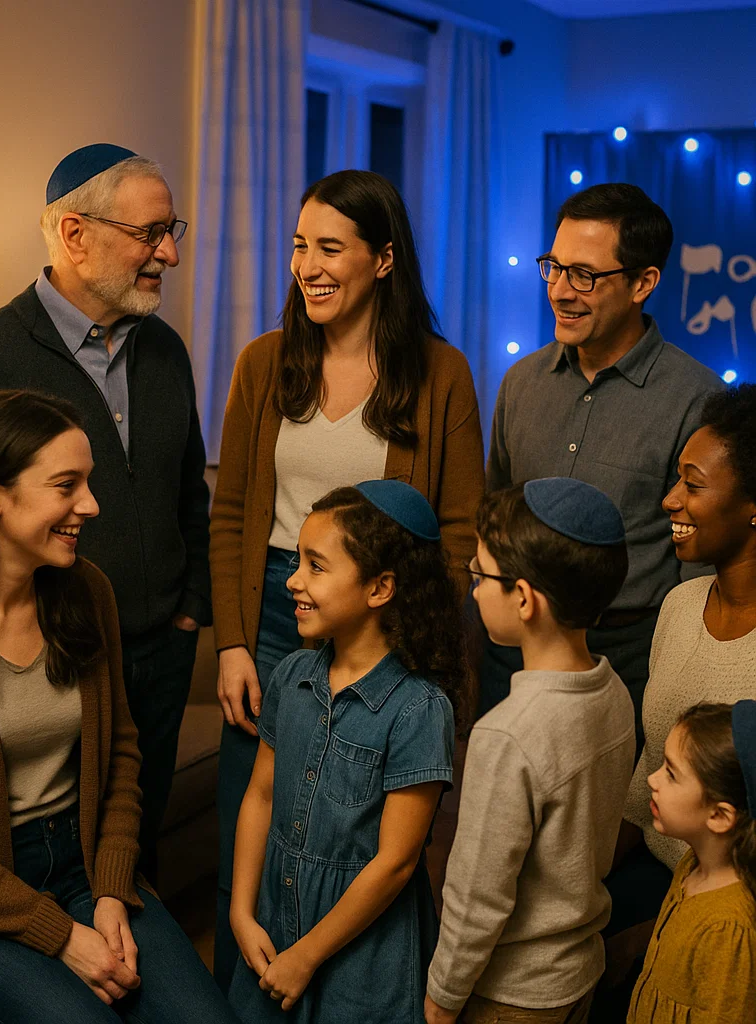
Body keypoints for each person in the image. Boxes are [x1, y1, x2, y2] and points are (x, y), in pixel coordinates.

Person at [0, 390, 236, 1024]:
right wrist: (62, 937)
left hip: (84, 865)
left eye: (87, 483)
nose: (90, 505)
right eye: (67, 486)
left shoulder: (87, 592)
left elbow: (121, 755)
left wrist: (112, 890)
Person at [210, 168, 484, 989]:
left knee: (355, 837)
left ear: (384, 259)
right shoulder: (263, 364)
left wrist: (403, 638)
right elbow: (231, 515)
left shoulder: (440, 374)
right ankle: (240, 996)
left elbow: (459, 530)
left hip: (380, 626)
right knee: (249, 829)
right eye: (300, 246)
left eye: (331, 248)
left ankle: (340, 991)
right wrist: (233, 643)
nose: (309, 266)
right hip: (272, 610)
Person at [0, 145, 210, 885]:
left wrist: (191, 607)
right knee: (55, 859)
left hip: (161, 649)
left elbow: (189, 491)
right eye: (150, 233)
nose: (170, 254)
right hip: (55, 659)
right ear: (76, 235)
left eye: (171, 230)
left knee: (135, 851)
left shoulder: (165, 351)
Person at [483, 183, 722, 750]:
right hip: (516, 648)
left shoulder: (697, 399)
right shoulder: (521, 383)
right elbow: (495, 511)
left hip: (629, 654)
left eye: (584, 275)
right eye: (554, 267)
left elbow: (699, 566)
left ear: (643, 283)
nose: (560, 291)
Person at [228, 481, 462, 1023]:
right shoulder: (291, 677)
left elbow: (395, 862)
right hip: (273, 926)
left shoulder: (419, 710)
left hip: (363, 961)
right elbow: (260, 797)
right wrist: (241, 912)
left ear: (380, 588)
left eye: (316, 566)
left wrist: (307, 956)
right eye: (297, 561)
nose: (293, 580)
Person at [425, 478, 635, 1024]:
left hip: (511, 994)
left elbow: (477, 895)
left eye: (481, 575)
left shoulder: (507, 735)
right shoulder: (614, 691)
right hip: (578, 974)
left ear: (524, 598)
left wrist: (442, 998)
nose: (474, 590)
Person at [608, 384, 756, 939]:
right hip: (655, 874)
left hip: (731, 910)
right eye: (677, 481)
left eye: (693, 486)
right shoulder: (680, 605)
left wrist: (653, 937)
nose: (670, 500)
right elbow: (650, 761)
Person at [627, 702, 756, 1023]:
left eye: (671, 774)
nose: (652, 779)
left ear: (719, 816)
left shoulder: (728, 929)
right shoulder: (692, 863)